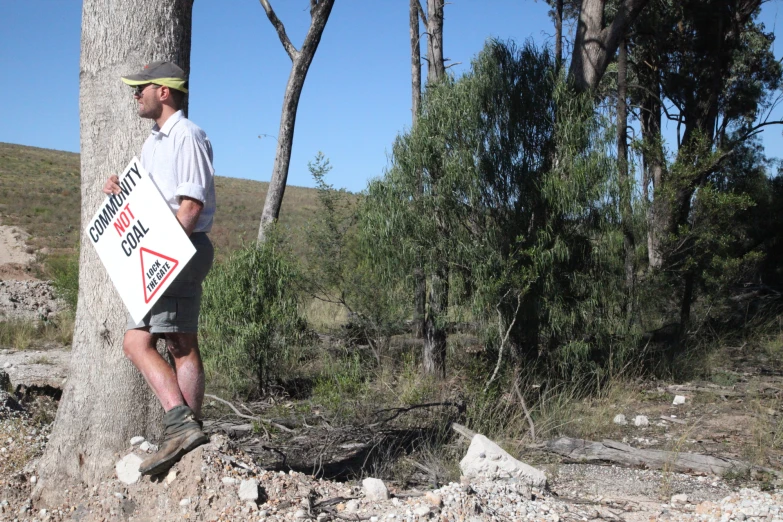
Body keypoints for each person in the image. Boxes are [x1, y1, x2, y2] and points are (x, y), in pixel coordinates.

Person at [103, 61, 216, 476]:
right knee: (181, 342)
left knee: (136, 342)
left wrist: (164, 256)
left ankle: (179, 424)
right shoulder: (154, 143)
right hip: (169, 251)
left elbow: (190, 205)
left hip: (178, 249)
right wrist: (120, 190)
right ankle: (188, 434)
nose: (136, 95)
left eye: (141, 88)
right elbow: (149, 202)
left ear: (163, 92)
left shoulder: (186, 136)